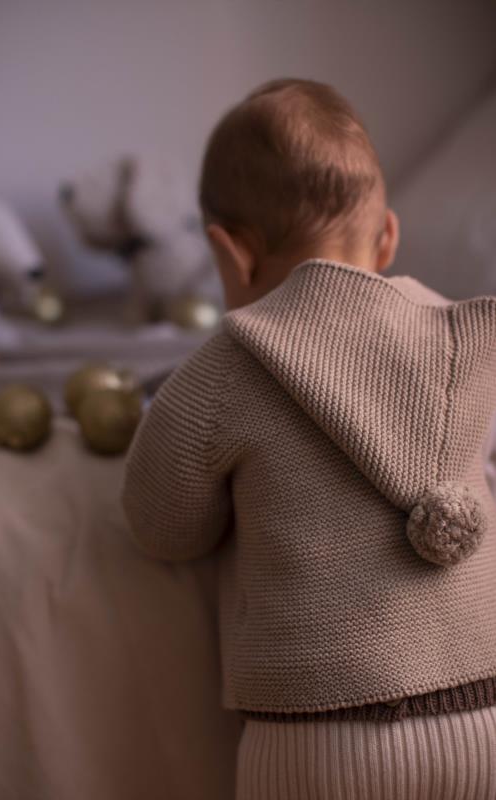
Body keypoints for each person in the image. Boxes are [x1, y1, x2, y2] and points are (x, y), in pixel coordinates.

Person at [121, 79, 496, 798]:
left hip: (320, 735)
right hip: (484, 705)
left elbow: (162, 527)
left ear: (231, 254)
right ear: (387, 237)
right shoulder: (464, 344)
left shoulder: (227, 366)